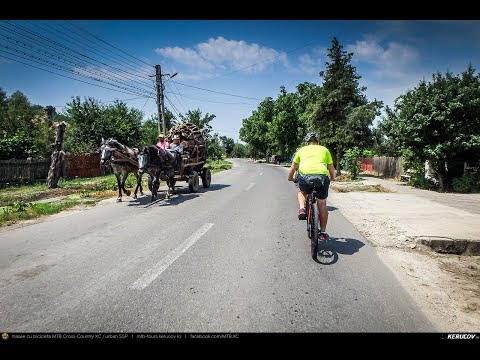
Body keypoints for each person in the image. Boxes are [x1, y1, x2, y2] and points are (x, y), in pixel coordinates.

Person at [287, 132, 336, 241]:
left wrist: (290, 177)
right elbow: (331, 168)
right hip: (322, 178)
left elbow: (293, 167)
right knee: (322, 205)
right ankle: (322, 233)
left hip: (305, 178)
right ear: (318, 141)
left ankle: (302, 209)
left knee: (302, 192)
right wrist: (332, 178)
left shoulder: (301, 150)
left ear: (307, 142)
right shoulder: (324, 150)